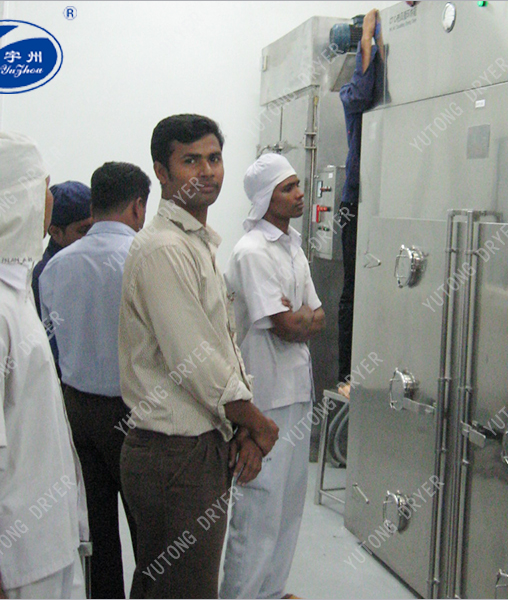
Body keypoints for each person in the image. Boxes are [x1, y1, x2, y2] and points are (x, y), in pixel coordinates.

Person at [118, 114, 279, 599]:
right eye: (190, 161)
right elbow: (196, 360)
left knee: (165, 586)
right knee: (185, 589)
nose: (207, 171)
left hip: (195, 446)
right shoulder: (164, 249)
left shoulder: (194, 242)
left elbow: (220, 345)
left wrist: (239, 424)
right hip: (175, 456)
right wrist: (258, 423)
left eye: (214, 158)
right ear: (161, 172)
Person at [38, 162, 150, 599]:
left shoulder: (55, 267)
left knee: (97, 532)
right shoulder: (145, 259)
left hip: (77, 412)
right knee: (149, 531)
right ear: (138, 207)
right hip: (134, 412)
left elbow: (52, 344)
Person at [0, 131, 89, 598]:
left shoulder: (15, 288)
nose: (49, 201)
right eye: (43, 188)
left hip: (49, 544)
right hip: (18, 559)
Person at [221, 154, 325, 600]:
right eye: (288, 188)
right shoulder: (252, 252)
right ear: (265, 198)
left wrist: (300, 317)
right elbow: (285, 326)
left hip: (297, 389)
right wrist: (298, 317)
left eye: (298, 185)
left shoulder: (292, 247)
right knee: (259, 506)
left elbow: (318, 318)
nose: (300, 194)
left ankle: (273, 591)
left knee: (289, 502)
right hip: (263, 396)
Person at [337, 8, 385, 398]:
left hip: (380, 203)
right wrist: (368, 34)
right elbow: (362, 90)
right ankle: (347, 376)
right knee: (355, 289)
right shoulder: (351, 95)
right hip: (356, 204)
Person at [32, 181, 93, 318]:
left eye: (95, 226)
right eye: (83, 230)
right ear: (55, 232)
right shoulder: (44, 277)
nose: (93, 235)